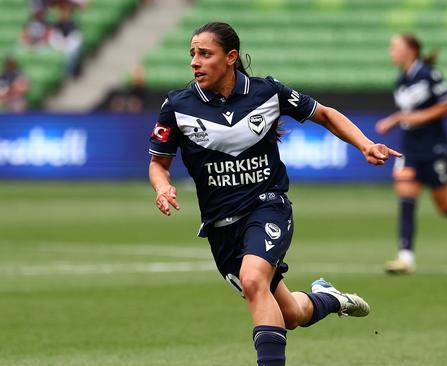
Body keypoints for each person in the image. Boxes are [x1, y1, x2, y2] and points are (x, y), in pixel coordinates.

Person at [147, 22, 401, 366]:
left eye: (205, 54)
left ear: (231, 57)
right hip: (220, 227)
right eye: (192, 54)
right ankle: (330, 298)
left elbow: (324, 114)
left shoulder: (267, 91)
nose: (195, 61)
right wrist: (162, 186)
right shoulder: (177, 105)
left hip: (267, 207)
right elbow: (158, 163)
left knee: (254, 281)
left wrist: (365, 144)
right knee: (292, 314)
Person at [375, 34, 447, 274]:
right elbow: (408, 112)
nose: (391, 51)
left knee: (444, 205)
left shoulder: (428, 74)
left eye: (395, 47)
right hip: (409, 149)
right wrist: (394, 120)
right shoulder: (401, 80)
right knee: (406, 198)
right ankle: (405, 257)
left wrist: (418, 117)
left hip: (434, 148)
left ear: (411, 50)